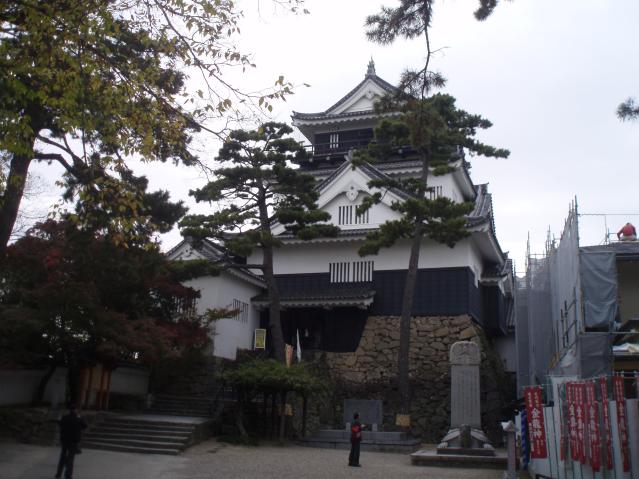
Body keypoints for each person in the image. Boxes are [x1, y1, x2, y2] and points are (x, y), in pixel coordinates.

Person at [55, 404, 87, 479]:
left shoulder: (64, 417)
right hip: (74, 441)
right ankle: (68, 475)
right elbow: (85, 426)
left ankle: (58, 474)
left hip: (64, 440)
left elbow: (59, 423)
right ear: (76, 410)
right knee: (70, 458)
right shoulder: (79, 418)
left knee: (62, 457)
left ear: (69, 410)